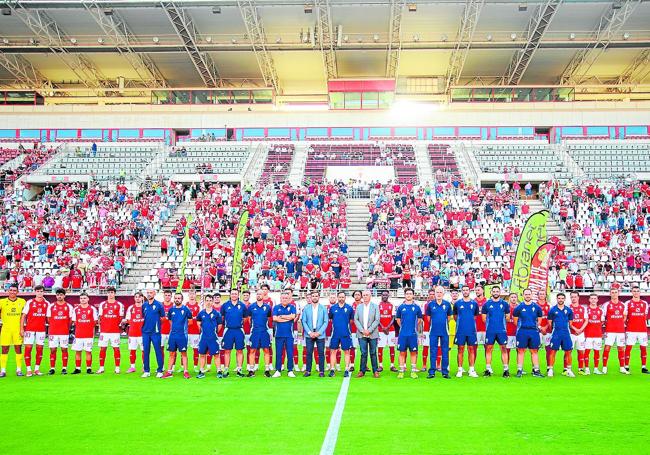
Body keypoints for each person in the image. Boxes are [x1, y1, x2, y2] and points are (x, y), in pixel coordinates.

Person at [512, 288, 544, 378]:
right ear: (523, 295)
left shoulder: (537, 307)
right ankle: (519, 370)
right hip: (522, 331)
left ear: (531, 295)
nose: (527, 296)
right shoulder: (519, 307)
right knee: (521, 351)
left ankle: (536, 370)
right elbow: (515, 321)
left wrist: (535, 327)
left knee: (534, 351)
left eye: (529, 294)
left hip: (534, 332)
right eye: (526, 294)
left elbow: (539, 321)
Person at [162, 293, 193, 379]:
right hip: (172, 335)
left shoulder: (186, 310)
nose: (177, 300)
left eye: (179, 298)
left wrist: (182, 328)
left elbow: (190, 322)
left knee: (183, 353)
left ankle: (186, 371)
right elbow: (170, 321)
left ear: (182, 299)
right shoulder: (171, 310)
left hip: (182, 335)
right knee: (171, 353)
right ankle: (169, 372)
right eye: (175, 298)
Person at [20, 284, 49, 376]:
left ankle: (37, 369)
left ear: (43, 292)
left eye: (41, 291)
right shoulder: (30, 302)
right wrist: (22, 328)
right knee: (28, 349)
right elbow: (23, 316)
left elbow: (48, 318)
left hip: (41, 330)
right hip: (30, 330)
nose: (39, 293)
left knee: (39, 349)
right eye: (38, 291)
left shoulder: (47, 303)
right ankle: (28, 369)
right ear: (35, 292)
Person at [481, 285, 509, 377]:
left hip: (502, 330)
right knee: (489, 349)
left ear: (499, 292)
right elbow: (484, 318)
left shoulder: (505, 304)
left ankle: (506, 370)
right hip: (490, 331)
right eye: (494, 291)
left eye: (497, 291)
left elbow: (508, 318)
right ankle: (488, 369)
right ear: (491, 292)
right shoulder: (487, 304)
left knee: (504, 349)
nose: (496, 293)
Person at [426, 286, 453, 379]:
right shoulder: (430, 304)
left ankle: (445, 372)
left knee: (445, 351)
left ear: (443, 293)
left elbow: (449, 317)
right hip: (433, 331)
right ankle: (432, 372)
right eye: (437, 292)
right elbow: (428, 318)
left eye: (440, 292)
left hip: (444, 331)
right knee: (433, 351)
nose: (438, 294)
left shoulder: (447, 304)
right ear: (435, 293)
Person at [220, 289, 248, 378]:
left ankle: (239, 370)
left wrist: (238, 324)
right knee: (227, 350)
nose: (234, 295)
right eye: (232, 294)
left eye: (236, 294)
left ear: (238, 295)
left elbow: (245, 318)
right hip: (228, 330)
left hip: (239, 330)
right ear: (230, 295)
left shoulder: (242, 305)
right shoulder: (225, 305)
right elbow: (222, 317)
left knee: (239, 350)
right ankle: (226, 370)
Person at [395, 288, 423, 379]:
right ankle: (401, 371)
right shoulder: (400, 307)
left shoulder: (417, 307)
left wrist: (413, 328)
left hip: (413, 334)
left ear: (413, 295)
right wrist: (403, 327)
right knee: (402, 352)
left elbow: (419, 320)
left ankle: (413, 371)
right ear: (405, 295)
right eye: (407, 293)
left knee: (413, 352)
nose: (408, 295)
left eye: (410, 293)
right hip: (403, 334)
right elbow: (398, 320)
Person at [0, 283, 26, 377]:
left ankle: (18, 370)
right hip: (6, 329)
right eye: (10, 290)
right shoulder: (2, 302)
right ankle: (2, 370)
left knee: (18, 349)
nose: (12, 292)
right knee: (4, 349)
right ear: (8, 291)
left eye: (14, 290)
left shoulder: (22, 301)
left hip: (17, 329)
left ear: (18, 292)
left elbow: (25, 314)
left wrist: (22, 328)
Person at [46, 288, 74, 375]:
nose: (59, 296)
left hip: (64, 332)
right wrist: (54, 325)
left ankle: (64, 368)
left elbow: (70, 320)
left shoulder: (69, 306)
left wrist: (66, 327)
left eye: (61, 295)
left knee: (64, 349)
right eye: (58, 295)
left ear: (64, 296)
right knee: (53, 350)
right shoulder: (51, 306)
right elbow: (48, 318)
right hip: (53, 332)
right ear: (56, 296)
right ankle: (52, 368)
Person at [453, 285, 479, 378]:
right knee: (460, 349)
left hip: (471, 330)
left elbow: (475, 316)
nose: (465, 291)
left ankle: (471, 369)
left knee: (471, 349)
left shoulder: (474, 303)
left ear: (469, 291)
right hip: (460, 330)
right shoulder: (457, 303)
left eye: (467, 290)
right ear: (461, 291)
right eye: (463, 290)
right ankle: (460, 369)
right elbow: (455, 317)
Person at [547, 293, 575, 377]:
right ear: (557, 299)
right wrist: (554, 331)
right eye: (559, 298)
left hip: (566, 333)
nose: (560, 300)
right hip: (556, 333)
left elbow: (570, 323)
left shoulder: (569, 310)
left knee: (568, 352)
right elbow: (550, 323)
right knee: (552, 351)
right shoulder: (552, 310)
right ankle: (551, 369)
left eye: (562, 298)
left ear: (565, 299)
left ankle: (569, 369)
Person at [301, 289, 328, 377]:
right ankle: (308, 371)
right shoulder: (306, 308)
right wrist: (309, 332)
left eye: (316, 296)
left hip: (320, 334)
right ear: (311, 298)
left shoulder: (323, 308)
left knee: (321, 353)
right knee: (309, 352)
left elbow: (325, 321)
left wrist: (319, 332)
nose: (314, 297)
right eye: (313, 296)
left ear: (319, 297)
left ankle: (321, 371)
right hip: (309, 334)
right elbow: (304, 321)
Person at [97, 286, 124, 374]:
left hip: (115, 331)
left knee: (116, 349)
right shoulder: (102, 304)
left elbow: (120, 318)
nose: (110, 294)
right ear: (107, 293)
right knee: (102, 349)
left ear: (114, 294)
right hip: (104, 331)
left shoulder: (119, 305)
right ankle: (101, 367)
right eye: (109, 292)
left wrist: (116, 326)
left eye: (112, 292)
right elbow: (100, 317)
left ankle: (117, 367)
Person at [353, 290, 380, 378]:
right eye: (363, 295)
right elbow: (355, 319)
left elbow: (377, 320)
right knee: (363, 353)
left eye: (366, 295)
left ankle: (375, 371)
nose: (365, 296)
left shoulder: (375, 306)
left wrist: (369, 330)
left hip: (373, 333)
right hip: (361, 334)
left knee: (373, 352)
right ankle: (362, 370)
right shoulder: (359, 307)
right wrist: (362, 330)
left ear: (370, 296)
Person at [601, 287, 627, 375]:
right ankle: (604, 367)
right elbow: (603, 317)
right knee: (607, 348)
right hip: (610, 330)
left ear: (618, 293)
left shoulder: (623, 305)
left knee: (621, 348)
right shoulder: (606, 304)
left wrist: (619, 323)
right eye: (612, 292)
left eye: (616, 292)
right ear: (610, 294)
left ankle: (622, 367)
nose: (614, 294)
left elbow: (625, 316)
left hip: (620, 331)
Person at [247, 289, 273, 377]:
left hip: (264, 331)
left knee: (266, 350)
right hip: (254, 331)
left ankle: (267, 370)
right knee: (252, 350)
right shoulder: (251, 307)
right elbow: (249, 319)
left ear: (263, 295)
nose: (258, 295)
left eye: (260, 294)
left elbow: (269, 319)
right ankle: (251, 370)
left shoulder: (268, 307)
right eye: (257, 294)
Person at [196, 294, 222, 379]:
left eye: (210, 300)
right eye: (207, 300)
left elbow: (219, 325)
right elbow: (198, 324)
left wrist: (213, 333)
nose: (209, 302)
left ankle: (219, 371)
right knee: (202, 354)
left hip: (213, 338)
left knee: (216, 355)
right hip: (203, 338)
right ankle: (201, 371)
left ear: (213, 301)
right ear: (205, 301)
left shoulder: (216, 313)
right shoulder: (201, 313)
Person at [328, 291, 354, 377]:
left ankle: (346, 369)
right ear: (337, 297)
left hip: (345, 333)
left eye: (343, 297)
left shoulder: (349, 308)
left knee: (346, 351)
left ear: (345, 298)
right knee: (333, 351)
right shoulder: (333, 308)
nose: (341, 299)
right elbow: (331, 318)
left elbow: (351, 320)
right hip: (335, 333)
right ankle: (332, 369)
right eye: (340, 297)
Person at [624, 286, 649, 374]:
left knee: (643, 348)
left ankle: (644, 367)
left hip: (642, 330)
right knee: (628, 348)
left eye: (637, 291)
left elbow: (645, 316)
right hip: (631, 330)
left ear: (640, 292)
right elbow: (625, 316)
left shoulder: (645, 303)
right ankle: (626, 366)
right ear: (632, 292)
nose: (636, 293)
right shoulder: (627, 303)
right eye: (634, 291)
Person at [142, 287, 165, 378]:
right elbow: (144, 317)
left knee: (158, 351)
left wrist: (157, 325)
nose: (149, 294)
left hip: (155, 332)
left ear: (154, 293)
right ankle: (146, 370)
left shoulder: (159, 305)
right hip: (145, 332)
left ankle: (160, 370)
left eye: (151, 292)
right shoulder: (144, 305)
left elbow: (163, 318)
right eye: (148, 292)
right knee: (146, 351)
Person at [272, 290, 297, 377]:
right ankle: (278, 370)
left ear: (289, 299)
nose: (285, 299)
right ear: (280, 299)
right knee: (279, 353)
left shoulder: (292, 307)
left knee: (290, 353)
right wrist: (287, 318)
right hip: (279, 334)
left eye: (286, 298)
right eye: (283, 298)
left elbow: (293, 316)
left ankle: (290, 370)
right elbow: (275, 318)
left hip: (289, 334)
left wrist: (282, 316)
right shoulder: (276, 307)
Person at [71, 292, 97, 375]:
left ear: (88, 299)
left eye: (84, 298)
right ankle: (77, 368)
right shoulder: (76, 309)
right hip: (78, 334)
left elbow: (95, 321)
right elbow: (74, 321)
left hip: (89, 335)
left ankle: (89, 368)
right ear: (79, 299)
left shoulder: (92, 309)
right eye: (81, 298)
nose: (83, 300)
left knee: (88, 351)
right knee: (78, 351)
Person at [124, 291, 145, 374]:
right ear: (134, 298)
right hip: (132, 333)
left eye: (139, 297)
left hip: (143, 333)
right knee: (132, 350)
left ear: (142, 298)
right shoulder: (131, 308)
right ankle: (132, 367)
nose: (137, 298)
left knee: (144, 350)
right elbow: (128, 320)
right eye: (136, 297)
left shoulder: (145, 307)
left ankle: (144, 366)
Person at [584, 293, 604, 375]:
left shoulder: (601, 310)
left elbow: (602, 322)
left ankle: (596, 369)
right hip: (588, 335)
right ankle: (587, 368)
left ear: (597, 300)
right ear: (589, 300)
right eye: (591, 298)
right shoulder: (586, 310)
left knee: (597, 352)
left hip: (598, 335)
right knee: (587, 352)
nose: (593, 300)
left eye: (594, 298)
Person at [568, 291, 588, 375]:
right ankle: (566, 369)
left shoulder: (583, 308)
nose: (573, 298)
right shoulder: (567, 308)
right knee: (568, 351)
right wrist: (575, 329)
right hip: (570, 333)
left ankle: (580, 369)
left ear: (578, 297)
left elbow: (586, 320)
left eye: (575, 296)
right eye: (572, 297)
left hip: (581, 333)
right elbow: (568, 321)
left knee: (581, 351)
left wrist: (580, 330)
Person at [377, 290, 396, 372]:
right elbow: (377, 318)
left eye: (386, 295)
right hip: (380, 330)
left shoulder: (392, 305)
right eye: (383, 295)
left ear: (388, 296)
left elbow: (393, 318)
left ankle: (392, 365)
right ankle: (380, 365)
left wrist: (387, 327)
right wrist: (383, 327)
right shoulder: (378, 306)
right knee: (380, 347)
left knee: (392, 346)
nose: (384, 296)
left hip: (391, 330)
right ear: (381, 296)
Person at [186, 289, 202, 373]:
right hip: (186, 331)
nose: (192, 295)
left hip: (195, 331)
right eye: (190, 294)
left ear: (196, 295)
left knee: (195, 349)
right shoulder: (185, 305)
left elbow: (201, 319)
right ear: (188, 295)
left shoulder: (199, 306)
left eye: (193, 294)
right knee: (183, 349)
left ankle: (195, 366)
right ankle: (182, 366)